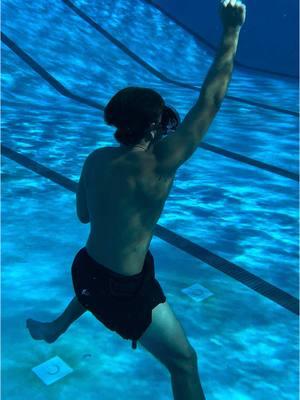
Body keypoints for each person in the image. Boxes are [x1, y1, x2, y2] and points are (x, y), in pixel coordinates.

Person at [26, 1, 246, 398]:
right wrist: (231, 30)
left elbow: (82, 216)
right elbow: (210, 100)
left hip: (87, 271)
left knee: (109, 275)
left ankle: (54, 328)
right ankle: (58, 326)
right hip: (123, 291)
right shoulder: (161, 163)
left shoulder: (95, 159)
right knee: (185, 362)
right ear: (153, 127)